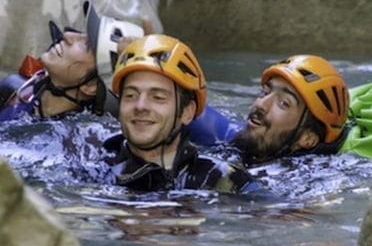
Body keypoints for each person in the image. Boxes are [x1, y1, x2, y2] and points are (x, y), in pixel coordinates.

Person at [103, 34, 260, 194]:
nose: (140, 106)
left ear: (187, 112)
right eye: (131, 95)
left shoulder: (223, 181)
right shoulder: (91, 166)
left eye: (158, 97)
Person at [189, 54, 372, 163]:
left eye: (283, 103)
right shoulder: (253, 138)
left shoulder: (310, 179)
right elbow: (189, 111)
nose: (261, 104)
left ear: (307, 139)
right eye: (265, 92)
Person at [0, 1, 144, 121]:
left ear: (90, 87)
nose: (67, 35)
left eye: (86, 45)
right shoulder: (8, 92)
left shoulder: (76, 144)